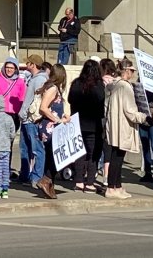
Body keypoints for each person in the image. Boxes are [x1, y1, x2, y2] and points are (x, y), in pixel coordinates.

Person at [104, 59, 146, 200]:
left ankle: (117, 185)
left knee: (117, 156)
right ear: (126, 70)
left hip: (114, 124)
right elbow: (130, 111)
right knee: (117, 157)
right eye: (132, 70)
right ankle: (112, 187)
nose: (133, 73)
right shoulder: (125, 87)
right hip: (122, 125)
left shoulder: (113, 85)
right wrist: (144, 117)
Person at [66, 58, 104, 193]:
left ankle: (78, 181)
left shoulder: (76, 83)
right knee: (94, 154)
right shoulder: (99, 85)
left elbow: (70, 99)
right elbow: (101, 101)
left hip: (77, 123)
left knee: (79, 153)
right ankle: (90, 183)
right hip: (94, 124)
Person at [34, 63, 69, 199]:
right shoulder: (53, 88)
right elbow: (43, 108)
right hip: (49, 127)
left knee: (51, 156)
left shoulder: (54, 88)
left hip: (53, 126)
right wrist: (57, 120)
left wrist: (63, 116)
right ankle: (46, 179)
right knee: (56, 156)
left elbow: (54, 106)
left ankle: (49, 185)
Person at [17, 55, 49, 186]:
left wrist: (22, 113)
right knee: (25, 148)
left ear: (33, 65)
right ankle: (25, 174)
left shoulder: (38, 80)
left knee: (36, 149)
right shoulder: (35, 79)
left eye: (28, 62)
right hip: (28, 118)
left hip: (31, 118)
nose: (26, 64)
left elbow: (30, 99)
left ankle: (36, 177)